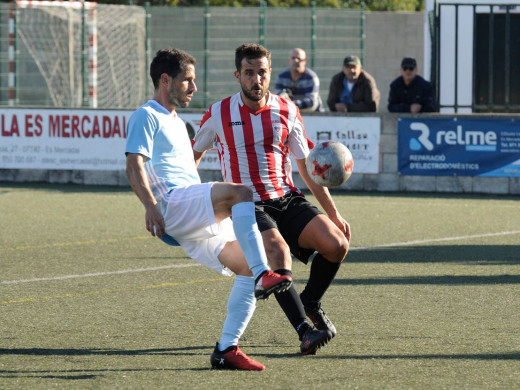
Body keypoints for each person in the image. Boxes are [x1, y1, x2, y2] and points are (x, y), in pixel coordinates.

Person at [125, 47, 293, 371]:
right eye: (187, 80)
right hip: (172, 202)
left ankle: (226, 348)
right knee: (241, 193)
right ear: (165, 79)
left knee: (243, 266)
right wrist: (150, 207)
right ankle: (264, 275)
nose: (193, 87)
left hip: (188, 215)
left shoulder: (175, 120)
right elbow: (134, 164)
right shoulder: (147, 115)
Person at [193, 43, 351, 356]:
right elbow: (191, 158)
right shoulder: (219, 113)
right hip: (247, 204)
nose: (256, 79)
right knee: (278, 253)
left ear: (268, 74)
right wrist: (186, 200)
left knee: (337, 246)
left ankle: (310, 302)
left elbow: (307, 169)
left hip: (287, 198)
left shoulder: (288, 110)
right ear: (238, 75)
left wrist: (334, 213)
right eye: (249, 73)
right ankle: (304, 332)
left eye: (261, 72)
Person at [274, 48, 324, 112]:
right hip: (289, 113)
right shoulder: (281, 76)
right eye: (293, 58)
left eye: (299, 59)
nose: (296, 61)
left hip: (312, 116)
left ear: (305, 62)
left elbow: (311, 101)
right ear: (289, 60)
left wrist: (290, 104)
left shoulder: (311, 77)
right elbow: (278, 99)